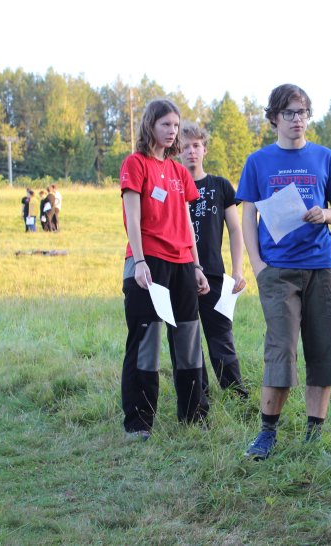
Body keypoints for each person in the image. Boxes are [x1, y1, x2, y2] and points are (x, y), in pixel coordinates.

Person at [237, 83, 331, 460]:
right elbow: (248, 213)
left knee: (325, 350)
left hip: (323, 266)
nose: (298, 119)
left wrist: (327, 214)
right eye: (289, 113)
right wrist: (257, 264)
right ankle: (267, 433)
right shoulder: (258, 161)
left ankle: (313, 435)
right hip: (278, 270)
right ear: (273, 118)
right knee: (281, 349)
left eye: (302, 112)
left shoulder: (324, 157)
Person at [119, 98, 210, 441]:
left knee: (188, 341)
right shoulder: (135, 163)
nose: (172, 132)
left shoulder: (178, 171)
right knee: (147, 343)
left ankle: (193, 416)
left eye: (175, 125)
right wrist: (139, 262)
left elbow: (186, 221)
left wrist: (197, 266)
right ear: (150, 126)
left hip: (183, 264)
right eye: (165, 125)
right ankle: (139, 424)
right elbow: (133, 217)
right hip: (148, 263)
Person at [180, 122, 248, 399]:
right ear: (177, 153)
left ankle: (237, 395)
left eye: (196, 146)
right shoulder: (173, 187)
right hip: (180, 275)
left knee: (221, 338)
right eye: (184, 147)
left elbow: (234, 230)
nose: (191, 152)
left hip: (215, 276)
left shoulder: (219, 185)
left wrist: (238, 270)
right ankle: (198, 397)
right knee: (188, 340)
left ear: (204, 149)